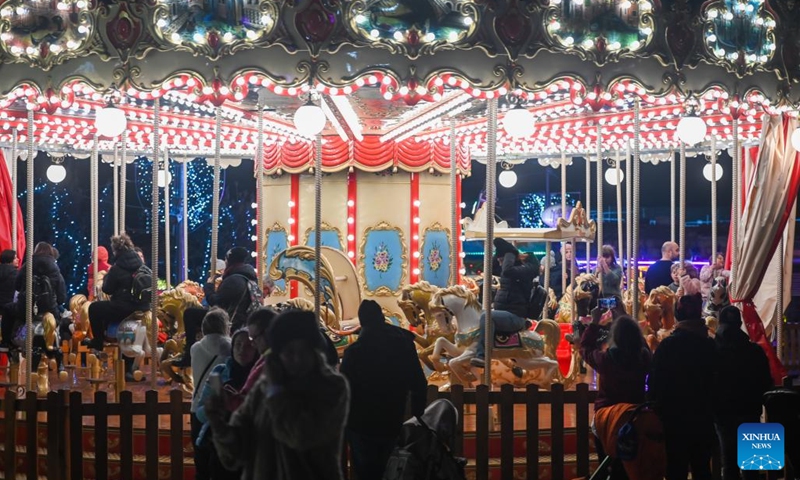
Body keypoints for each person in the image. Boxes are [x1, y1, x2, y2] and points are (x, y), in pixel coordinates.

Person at [206, 310, 350, 480]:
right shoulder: (264, 386)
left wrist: (276, 392)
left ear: (315, 351)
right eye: (289, 352)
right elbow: (238, 452)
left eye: (303, 351)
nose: (296, 358)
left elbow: (300, 436)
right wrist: (218, 422)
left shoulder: (332, 386)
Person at [341, 300, 427, 480]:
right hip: (394, 418)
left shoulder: (355, 352)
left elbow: (343, 390)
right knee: (395, 470)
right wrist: (417, 416)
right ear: (382, 317)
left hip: (361, 424)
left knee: (366, 471)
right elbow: (418, 382)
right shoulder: (403, 343)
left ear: (362, 323)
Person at [648, 293, 716, 480]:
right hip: (703, 416)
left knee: (675, 468)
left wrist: (655, 405)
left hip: (674, 418)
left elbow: (655, 380)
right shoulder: (709, 345)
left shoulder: (669, 345)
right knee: (702, 467)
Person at [581, 310, 653, 480]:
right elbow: (644, 347)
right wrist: (624, 315)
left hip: (609, 417)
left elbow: (585, 348)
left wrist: (594, 323)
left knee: (606, 459)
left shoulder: (607, 359)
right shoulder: (643, 358)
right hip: (634, 416)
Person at [713, 306, 773, 480]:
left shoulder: (715, 351)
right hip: (750, 411)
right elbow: (766, 382)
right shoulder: (755, 351)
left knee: (729, 464)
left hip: (724, 414)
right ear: (740, 324)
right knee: (753, 464)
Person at [178, 247, 259, 368]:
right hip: (239, 318)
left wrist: (209, 286)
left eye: (226, 260)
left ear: (230, 261)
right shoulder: (247, 277)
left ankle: (188, 354)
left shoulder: (234, 279)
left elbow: (216, 302)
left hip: (228, 320)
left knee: (190, 313)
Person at [194, 328, 257, 480]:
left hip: (253, 446)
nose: (242, 350)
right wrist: (214, 406)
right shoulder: (221, 372)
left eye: (249, 346)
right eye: (238, 345)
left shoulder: (263, 375)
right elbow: (200, 413)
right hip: (222, 446)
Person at [471, 238, 538, 368]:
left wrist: (510, 253)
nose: (501, 264)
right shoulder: (512, 269)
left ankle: (482, 355)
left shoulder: (527, 269)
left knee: (487, 316)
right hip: (504, 313)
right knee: (479, 313)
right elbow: (491, 268)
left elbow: (507, 270)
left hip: (516, 316)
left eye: (503, 261)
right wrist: (503, 251)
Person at [86, 234, 148, 351]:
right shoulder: (141, 265)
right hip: (143, 307)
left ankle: (98, 340)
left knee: (94, 308)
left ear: (115, 250)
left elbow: (107, 289)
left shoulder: (117, 267)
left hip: (124, 308)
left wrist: (106, 278)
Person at [190, 308, 232, 480]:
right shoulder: (231, 346)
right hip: (220, 409)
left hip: (197, 408)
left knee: (201, 460)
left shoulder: (195, 348)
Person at [0, 250, 18, 349]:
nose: (18, 259)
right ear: (10, 260)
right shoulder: (15, 273)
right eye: (15, 258)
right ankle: (10, 341)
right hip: (8, 307)